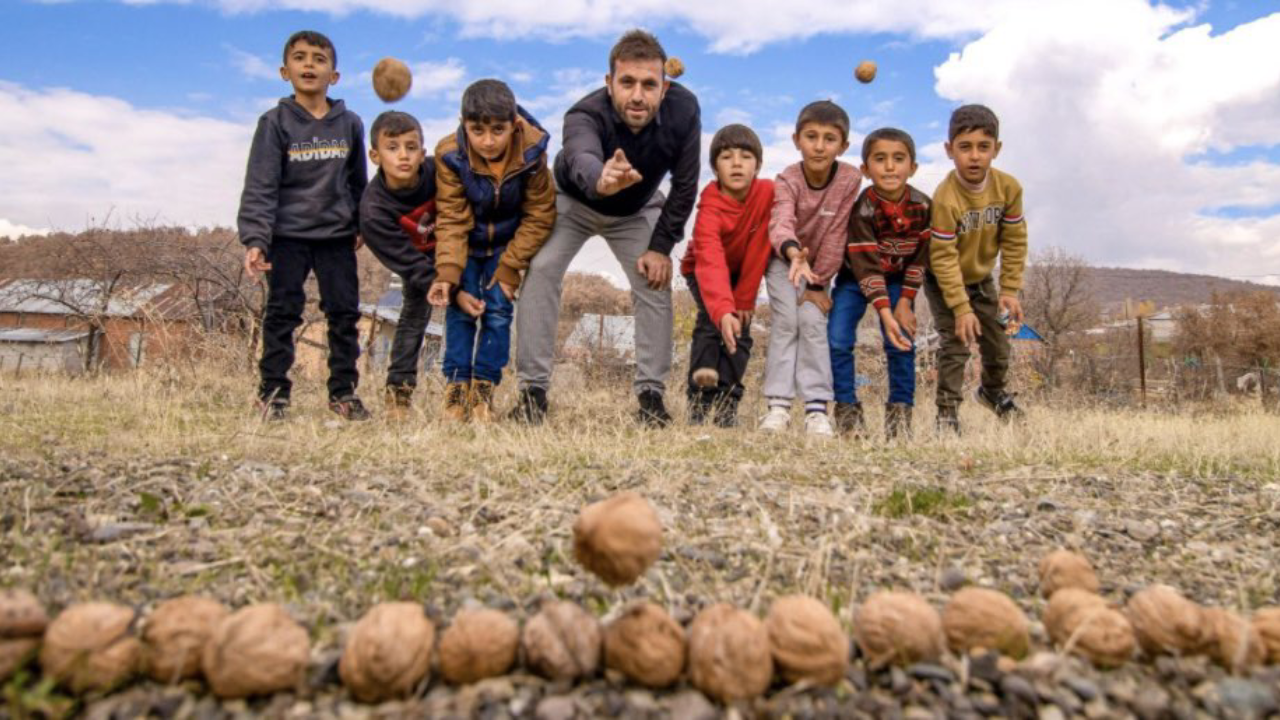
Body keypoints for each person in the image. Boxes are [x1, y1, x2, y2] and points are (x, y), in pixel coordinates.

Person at [512, 29, 701, 427]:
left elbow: (685, 185)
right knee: (542, 268)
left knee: (654, 278)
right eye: (627, 82)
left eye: (649, 84)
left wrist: (660, 247)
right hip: (575, 200)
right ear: (608, 83)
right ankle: (533, 392)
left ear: (664, 87)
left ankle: (651, 396)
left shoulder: (685, 111)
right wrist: (601, 177)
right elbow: (580, 153)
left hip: (637, 208)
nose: (637, 95)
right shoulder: (584, 114)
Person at [238, 30, 368, 421]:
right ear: (284, 71)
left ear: (335, 75)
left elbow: (358, 181)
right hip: (287, 237)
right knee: (282, 314)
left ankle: (343, 393)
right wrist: (256, 238)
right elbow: (261, 184)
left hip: (336, 238)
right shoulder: (274, 123)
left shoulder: (350, 124)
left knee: (344, 315)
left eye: (318, 58)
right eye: (300, 57)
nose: (309, 64)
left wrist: (361, 222)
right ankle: (273, 393)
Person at [428, 79, 556, 423]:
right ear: (463, 124)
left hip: (507, 245)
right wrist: (448, 273)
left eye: (497, 130)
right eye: (477, 130)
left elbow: (540, 213)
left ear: (514, 125)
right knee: (460, 312)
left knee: (498, 313)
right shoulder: (449, 155)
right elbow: (452, 216)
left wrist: (511, 266)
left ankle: (484, 389)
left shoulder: (532, 153)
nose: (487, 141)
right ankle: (457, 388)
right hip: (466, 243)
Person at [761, 101, 863, 437]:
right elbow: (780, 221)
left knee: (813, 323)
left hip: (820, 269)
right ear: (796, 140)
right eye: (811, 137)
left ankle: (817, 408)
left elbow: (837, 234)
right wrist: (793, 253)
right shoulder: (787, 179)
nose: (819, 146)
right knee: (787, 322)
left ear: (843, 145)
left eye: (829, 138)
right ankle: (778, 406)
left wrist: (819, 283)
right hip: (783, 261)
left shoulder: (849, 178)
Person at [926, 104, 1028, 433]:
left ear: (996, 150)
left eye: (983, 147)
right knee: (956, 345)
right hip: (945, 282)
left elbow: (1014, 240)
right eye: (965, 147)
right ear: (949, 150)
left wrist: (1010, 290)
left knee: (997, 343)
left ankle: (993, 392)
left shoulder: (1009, 189)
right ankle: (947, 413)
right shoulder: (945, 198)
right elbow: (942, 257)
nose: (974, 156)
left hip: (982, 279)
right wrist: (960, 308)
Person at [829, 128, 929, 438]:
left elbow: (921, 259)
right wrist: (885, 313)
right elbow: (867, 266)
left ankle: (899, 420)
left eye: (898, 159)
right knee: (837, 339)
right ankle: (848, 415)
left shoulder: (923, 207)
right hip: (855, 278)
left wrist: (904, 303)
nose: (889, 167)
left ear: (912, 167)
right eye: (880, 159)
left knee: (901, 342)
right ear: (865, 169)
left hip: (899, 280)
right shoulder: (864, 208)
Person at [680, 124, 774, 428]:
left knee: (741, 332)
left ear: (757, 165)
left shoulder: (767, 194)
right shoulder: (709, 208)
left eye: (745, 156)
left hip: (743, 275)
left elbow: (761, 248)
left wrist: (744, 298)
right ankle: (699, 398)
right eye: (726, 157)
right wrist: (723, 310)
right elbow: (710, 260)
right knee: (712, 320)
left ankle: (726, 405)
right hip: (703, 271)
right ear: (715, 168)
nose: (736, 163)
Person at [357, 110, 447, 421]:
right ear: (375, 154)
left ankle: (465, 391)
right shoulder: (373, 210)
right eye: (392, 148)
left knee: (473, 313)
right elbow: (408, 265)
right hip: (417, 263)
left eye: (411, 147)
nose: (403, 156)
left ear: (423, 152)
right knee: (413, 315)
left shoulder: (439, 172)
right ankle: (399, 394)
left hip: (457, 250)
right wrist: (436, 281)